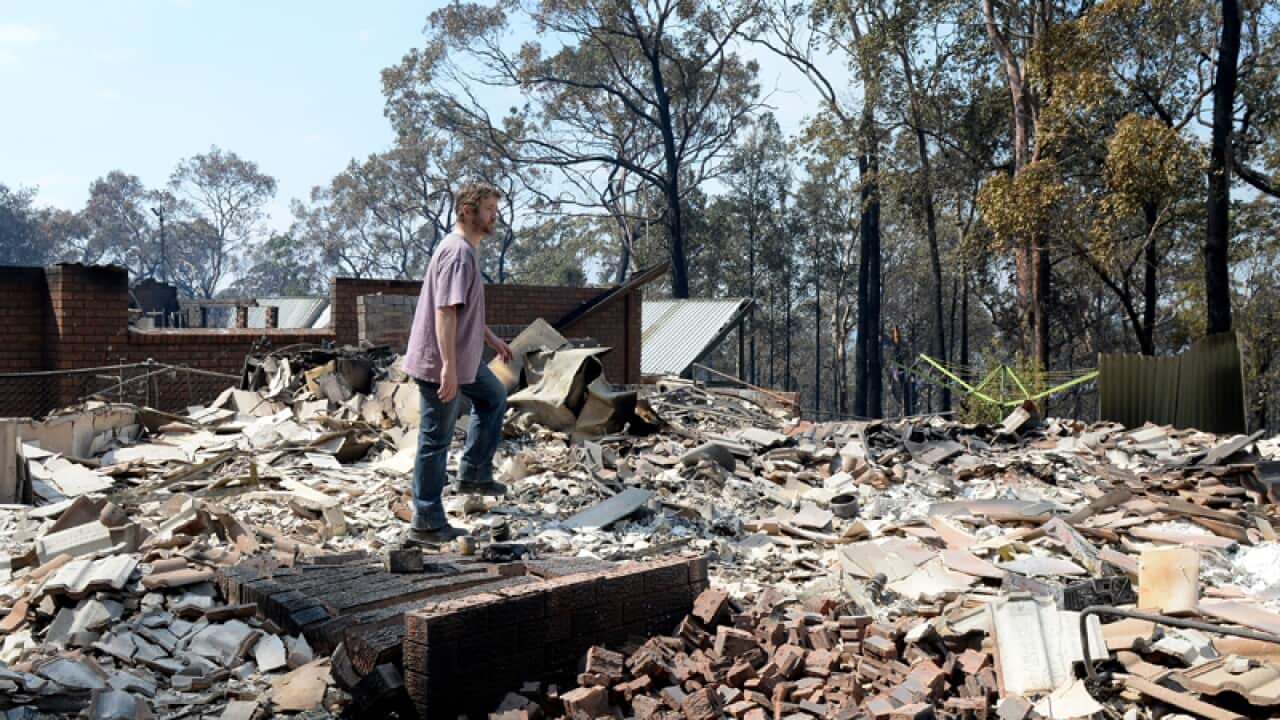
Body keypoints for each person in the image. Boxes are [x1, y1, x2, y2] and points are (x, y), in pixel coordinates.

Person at [400, 181, 513, 545]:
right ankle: (427, 521)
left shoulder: (466, 251)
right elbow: (445, 312)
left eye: (495, 210)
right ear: (467, 211)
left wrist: (490, 338)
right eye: (489, 210)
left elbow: (463, 312)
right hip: (442, 364)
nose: (495, 216)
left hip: (464, 359)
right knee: (435, 440)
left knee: (493, 396)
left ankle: (475, 473)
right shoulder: (457, 253)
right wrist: (447, 366)